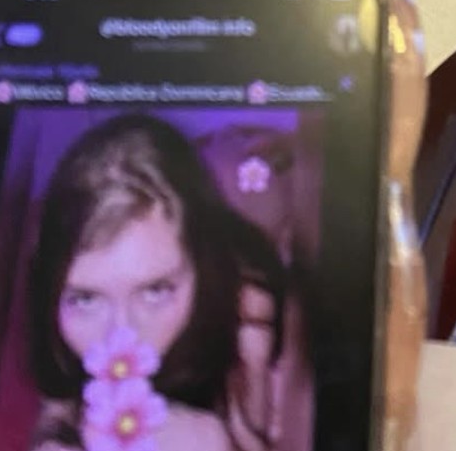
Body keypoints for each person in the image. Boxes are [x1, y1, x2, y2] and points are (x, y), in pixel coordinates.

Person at [26, 114, 289, 451]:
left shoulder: (244, 315)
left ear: (204, 276)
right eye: (86, 299)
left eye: (155, 291)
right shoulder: (60, 395)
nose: (122, 335)